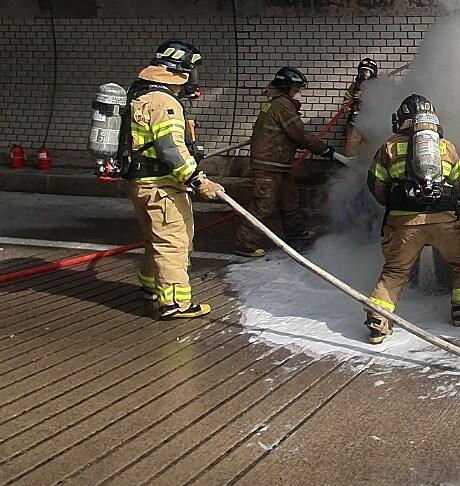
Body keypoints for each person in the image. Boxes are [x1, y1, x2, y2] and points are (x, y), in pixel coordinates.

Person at [363, 95, 460, 343]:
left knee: (395, 270)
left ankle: (377, 320)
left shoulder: (389, 146)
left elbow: (376, 186)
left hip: (403, 224)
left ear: (402, 119)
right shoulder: (445, 146)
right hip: (444, 221)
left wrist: (395, 205)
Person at [125, 40, 224, 319]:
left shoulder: (139, 92)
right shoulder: (164, 101)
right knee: (173, 243)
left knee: (153, 238)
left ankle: (150, 286)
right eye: (191, 71)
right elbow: (171, 148)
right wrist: (197, 180)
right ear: (180, 70)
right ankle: (175, 303)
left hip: (141, 183)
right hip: (162, 187)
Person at [233, 67, 341, 258]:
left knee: (290, 200)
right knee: (263, 205)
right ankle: (245, 244)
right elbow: (299, 133)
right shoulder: (282, 105)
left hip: (279, 164)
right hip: (269, 165)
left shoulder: (278, 103)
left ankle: (296, 236)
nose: (297, 92)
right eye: (295, 89)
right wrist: (325, 150)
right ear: (286, 87)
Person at [343, 57, 379, 156]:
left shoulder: (378, 88)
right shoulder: (354, 86)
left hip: (370, 126)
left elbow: (379, 104)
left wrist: (364, 97)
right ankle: (350, 170)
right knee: (350, 151)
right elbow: (346, 99)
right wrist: (345, 105)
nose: (363, 75)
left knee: (371, 151)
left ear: (373, 73)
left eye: (366, 72)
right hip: (354, 124)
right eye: (361, 71)